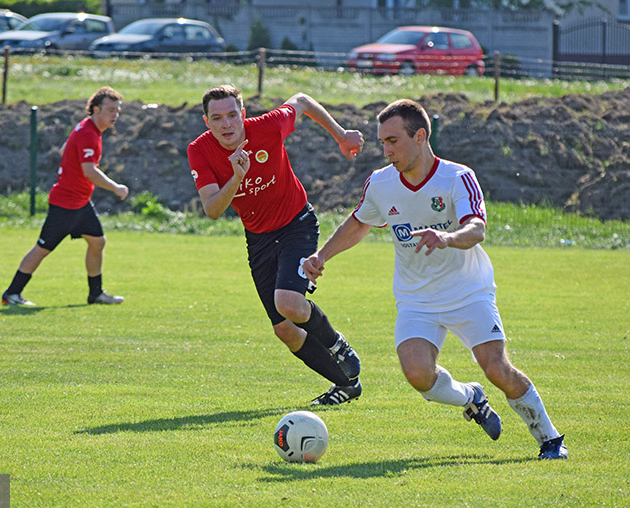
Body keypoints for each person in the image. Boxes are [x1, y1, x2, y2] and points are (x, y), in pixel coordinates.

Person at [302, 99, 568, 458]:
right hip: (416, 299)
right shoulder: (380, 184)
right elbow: (360, 222)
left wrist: (447, 237)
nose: (386, 151)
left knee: (496, 368)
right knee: (418, 375)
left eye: (393, 141)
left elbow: (476, 229)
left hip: (468, 291)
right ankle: (470, 397)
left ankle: (550, 439)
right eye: (383, 142)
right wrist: (322, 256)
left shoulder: (457, 177)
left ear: (421, 136)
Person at [187, 84, 365, 406]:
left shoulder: (268, 126)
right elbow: (212, 209)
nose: (226, 124)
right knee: (284, 329)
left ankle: (338, 345)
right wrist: (237, 178)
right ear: (207, 122)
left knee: (289, 304)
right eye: (217, 118)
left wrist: (340, 135)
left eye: (231, 115)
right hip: (258, 239)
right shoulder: (199, 150)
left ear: (242, 114)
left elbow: (303, 100)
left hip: (296, 224)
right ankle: (346, 385)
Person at [2, 86, 129, 307]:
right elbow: (89, 171)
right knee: (43, 248)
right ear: (96, 110)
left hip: (80, 202)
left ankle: (95, 294)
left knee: (98, 242)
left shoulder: (87, 128)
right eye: (110, 110)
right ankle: (12, 293)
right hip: (66, 204)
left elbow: (64, 150)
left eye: (117, 110)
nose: (115, 115)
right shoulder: (89, 133)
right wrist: (116, 187)